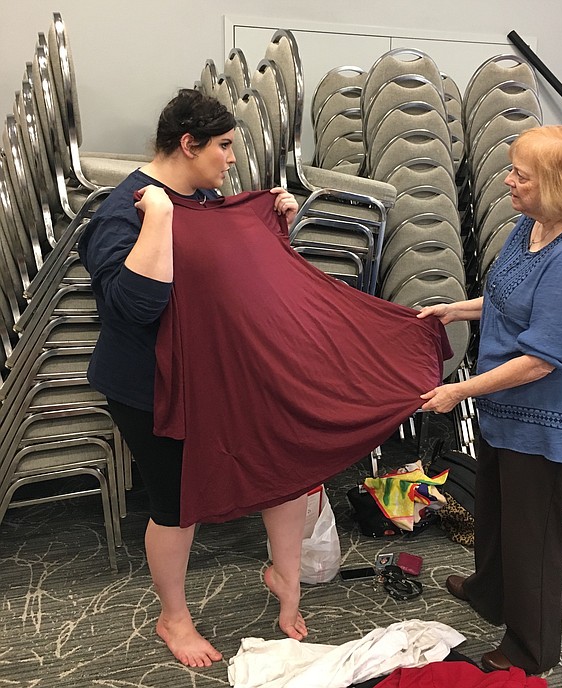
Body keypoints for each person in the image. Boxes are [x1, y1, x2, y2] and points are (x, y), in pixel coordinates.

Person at [78, 89, 304, 668]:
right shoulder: (119, 213)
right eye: (224, 146)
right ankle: (171, 618)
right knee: (176, 504)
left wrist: (274, 227)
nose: (231, 159)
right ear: (188, 143)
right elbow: (135, 308)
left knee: (282, 462)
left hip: (215, 373)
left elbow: (232, 278)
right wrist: (157, 219)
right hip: (147, 385)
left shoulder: (205, 198)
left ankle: (287, 578)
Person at [417, 125, 562, 674]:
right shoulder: (530, 225)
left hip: (554, 408)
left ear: (556, 185)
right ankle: (490, 592)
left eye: (520, 176)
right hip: (507, 399)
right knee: (497, 506)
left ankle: (530, 649)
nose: (507, 181)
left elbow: (540, 360)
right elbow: (508, 294)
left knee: (536, 532)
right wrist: (456, 310)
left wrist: (456, 391)